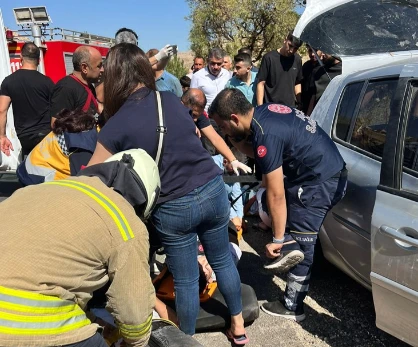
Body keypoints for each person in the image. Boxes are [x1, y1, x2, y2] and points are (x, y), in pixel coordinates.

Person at [86, 43, 248, 342]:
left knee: (185, 280)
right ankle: (238, 326)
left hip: (173, 205)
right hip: (212, 188)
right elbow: (194, 133)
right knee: (222, 259)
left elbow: (90, 176)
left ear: (113, 77)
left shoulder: (116, 124)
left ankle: (184, 340)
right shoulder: (170, 100)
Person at [209, 89, 347, 322]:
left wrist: (278, 239)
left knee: (303, 244)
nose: (223, 133)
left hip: (318, 182)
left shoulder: (266, 135)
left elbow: (276, 194)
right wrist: (233, 138)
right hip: (323, 171)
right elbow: (259, 156)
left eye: (222, 127)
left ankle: (293, 306)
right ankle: (291, 245)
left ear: (234, 118)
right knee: (294, 228)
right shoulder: (262, 114)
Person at [0, 148, 160, 346]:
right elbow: (134, 313)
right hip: (22, 326)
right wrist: (136, 341)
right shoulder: (126, 223)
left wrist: (91, 321)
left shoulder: (45, 190)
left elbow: (45, 271)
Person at [16, 109, 101, 185]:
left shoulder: (89, 126)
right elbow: (82, 182)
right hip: (38, 179)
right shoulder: (84, 143)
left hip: (30, 167)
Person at [0, 42, 53, 157]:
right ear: (39, 60)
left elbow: (2, 110)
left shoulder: (9, 81)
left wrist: (2, 136)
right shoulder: (47, 82)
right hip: (46, 134)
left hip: (25, 136)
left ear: (21, 57)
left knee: (29, 168)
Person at [181, 88, 251, 175]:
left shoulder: (197, 115)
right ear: (182, 104)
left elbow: (215, 138)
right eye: (193, 115)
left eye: (197, 116)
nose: (195, 120)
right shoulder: (168, 109)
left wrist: (233, 160)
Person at [49, 46, 104, 125]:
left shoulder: (89, 85)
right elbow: (56, 124)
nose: (102, 70)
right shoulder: (66, 88)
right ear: (84, 68)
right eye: (99, 66)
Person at [256, 31, 303, 108]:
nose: (291, 50)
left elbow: (297, 82)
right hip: (270, 107)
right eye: (290, 46)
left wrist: (299, 102)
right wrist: (260, 108)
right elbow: (261, 84)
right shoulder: (269, 58)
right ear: (285, 40)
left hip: (290, 108)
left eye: (295, 48)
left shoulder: (297, 60)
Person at [190, 48, 231, 112]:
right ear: (207, 61)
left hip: (224, 116)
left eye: (219, 64)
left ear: (223, 62)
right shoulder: (197, 76)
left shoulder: (226, 74)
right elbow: (192, 99)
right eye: (213, 63)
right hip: (206, 117)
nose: (216, 67)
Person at [301, 45, 319, 114]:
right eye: (310, 50)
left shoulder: (324, 68)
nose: (312, 54)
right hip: (304, 107)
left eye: (315, 51)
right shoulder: (306, 66)